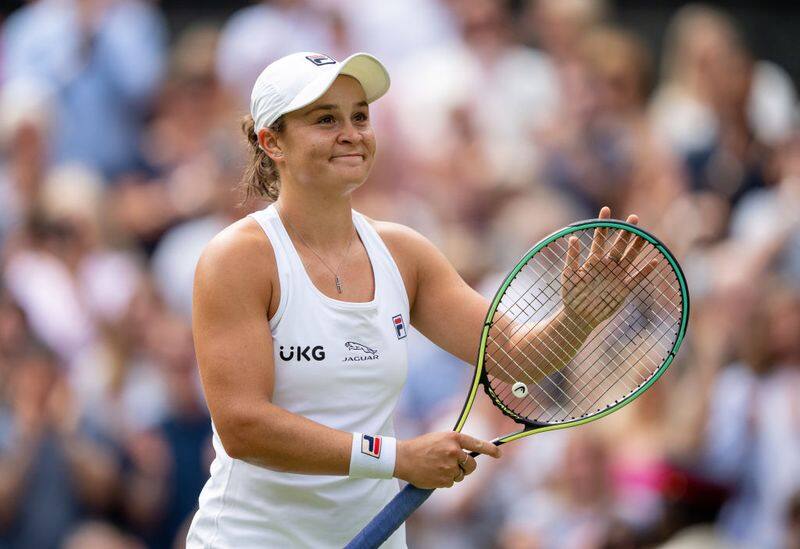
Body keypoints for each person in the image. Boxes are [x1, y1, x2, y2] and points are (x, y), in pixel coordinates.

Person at [185, 51, 649, 548]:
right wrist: (396, 458)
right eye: (326, 119)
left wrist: (578, 319)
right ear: (271, 141)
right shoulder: (236, 258)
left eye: (359, 116)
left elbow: (518, 360)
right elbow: (243, 427)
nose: (352, 132)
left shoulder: (405, 253)